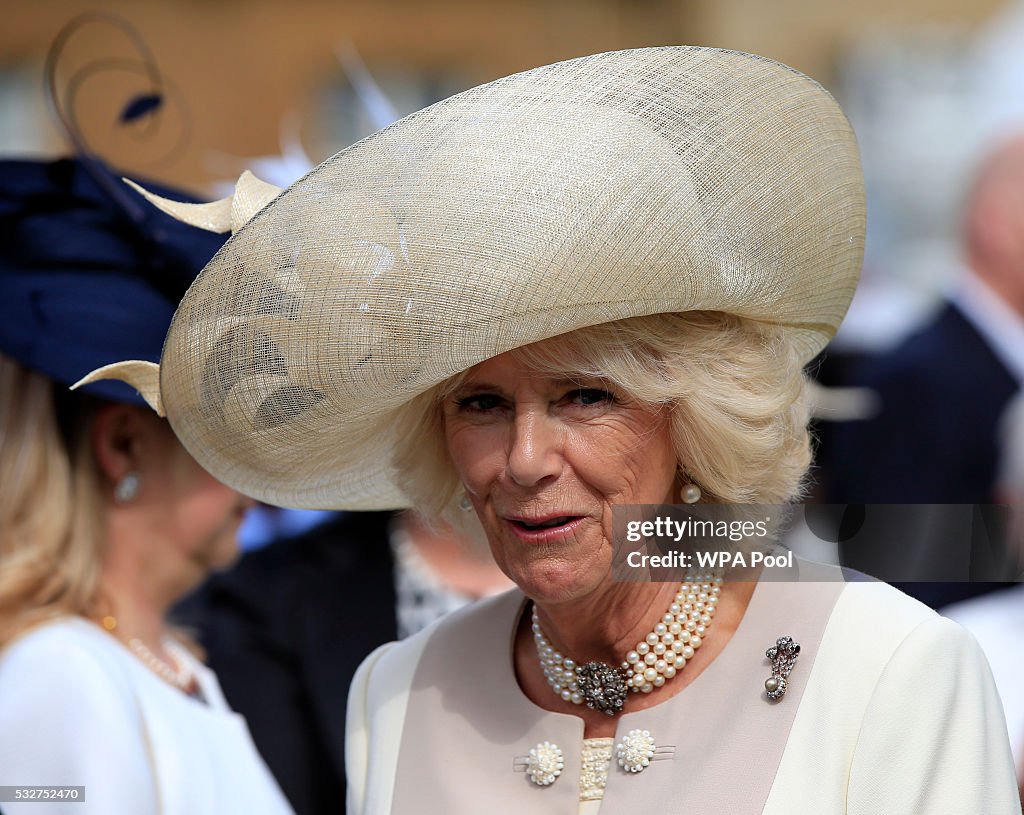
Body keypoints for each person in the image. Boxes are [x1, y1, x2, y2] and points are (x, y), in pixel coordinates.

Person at [81, 47, 1022, 813]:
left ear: (690, 414)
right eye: (481, 405)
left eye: (584, 397)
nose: (525, 462)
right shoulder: (398, 693)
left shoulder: (892, 667)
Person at [0, 157, 294, 815]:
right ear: (123, 444)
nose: (256, 465)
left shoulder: (166, 667)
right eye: (221, 424)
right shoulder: (64, 675)